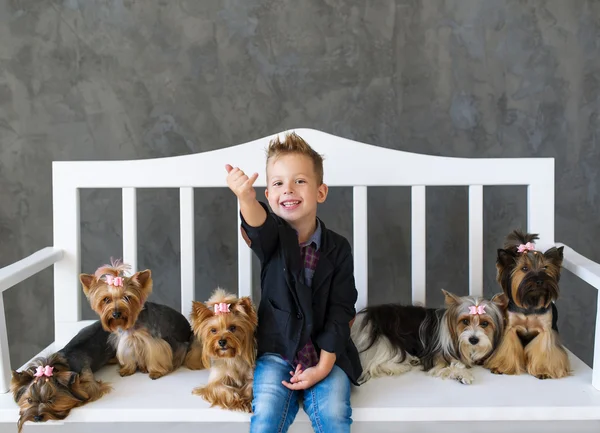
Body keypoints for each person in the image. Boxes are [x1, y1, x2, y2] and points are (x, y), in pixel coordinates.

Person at [225, 132, 362, 433]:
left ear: (320, 192)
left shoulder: (338, 248)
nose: (288, 189)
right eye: (277, 183)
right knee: (266, 417)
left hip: (327, 353)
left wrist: (324, 365)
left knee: (334, 414)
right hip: (278, 352)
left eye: (299, 181)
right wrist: (246, 198)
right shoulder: (272, 239)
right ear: (269, 196)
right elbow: (257, 224)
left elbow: (342, 309)